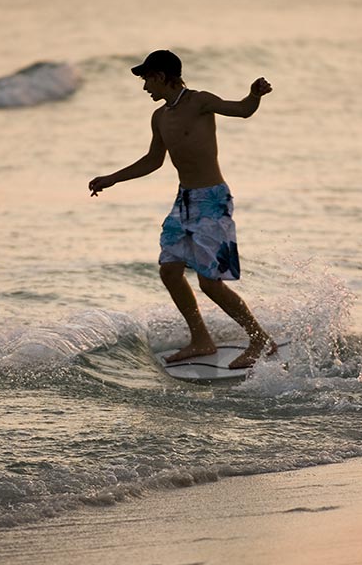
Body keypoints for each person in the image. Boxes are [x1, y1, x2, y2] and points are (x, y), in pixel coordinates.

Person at [88, 49, 277, 369]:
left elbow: (243, 110)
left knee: (209, 282)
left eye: (147, 79)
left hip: (212, 200)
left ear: (162, 77)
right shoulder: (160, 117)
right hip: (184, 201)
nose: (145, 87)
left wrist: (254, 94)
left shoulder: (199, 102)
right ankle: (201, 339)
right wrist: (112, 179)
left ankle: (259, 339)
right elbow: (153, 160)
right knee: (170, 270)